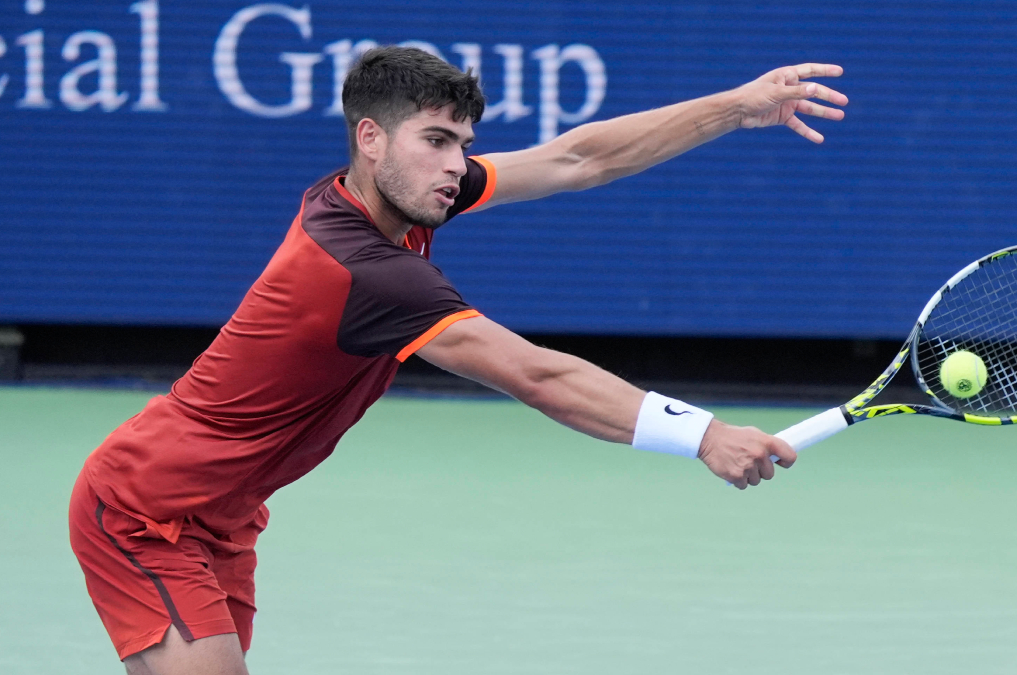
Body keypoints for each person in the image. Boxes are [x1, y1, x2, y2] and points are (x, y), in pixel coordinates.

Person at [68, 46, 848, 674]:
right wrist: (705, 434)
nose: (456, 165)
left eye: (463, 146)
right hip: (145, 510)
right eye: (436, 141)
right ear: (370, 139)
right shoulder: (364, 270)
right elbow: (536, 374)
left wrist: (738, 107)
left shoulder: (387, 196)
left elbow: (579, 158)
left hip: (221, 514)